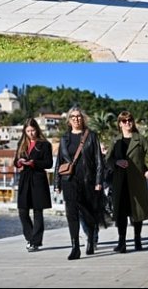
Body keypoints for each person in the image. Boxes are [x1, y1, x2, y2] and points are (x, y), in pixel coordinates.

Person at [55, 106, 105, 260]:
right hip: (69, 181)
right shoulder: (64, 139)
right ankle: (75, 247)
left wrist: (98, 181)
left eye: (79, 116)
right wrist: (57, 183)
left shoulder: (91, 136)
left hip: (88, 181)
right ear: (69, 120)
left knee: (88, 213)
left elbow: (98, 161)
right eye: (73, 117)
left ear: (83, 118)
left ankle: (90, 238)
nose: (76, 119)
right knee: (71, 215)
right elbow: (59, 162)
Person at [108, 111, 148, 253]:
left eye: (130, 120)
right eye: (124, 121)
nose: (127, 122)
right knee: (121, 213)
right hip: (120, 182)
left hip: (136, 181)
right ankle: (121, 242)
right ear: (119, 123)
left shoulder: (140, 139)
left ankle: (137, 240)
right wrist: (116, 162)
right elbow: (107, 159)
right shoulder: (115, 140)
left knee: (137, 212)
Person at [15, 118, 53, 251]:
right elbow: (15, 162)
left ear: (37, 129)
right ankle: (31, 238)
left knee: (38, 211)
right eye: (28, 131)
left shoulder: (45, 144)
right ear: (25, 131)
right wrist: (19, 162)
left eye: (33, 130)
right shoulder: (22, 144)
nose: (31, 133)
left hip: (38, 178)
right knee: (22, 211)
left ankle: (35, 242)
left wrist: (34, 163)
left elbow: (49, 163)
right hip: (25, 178)